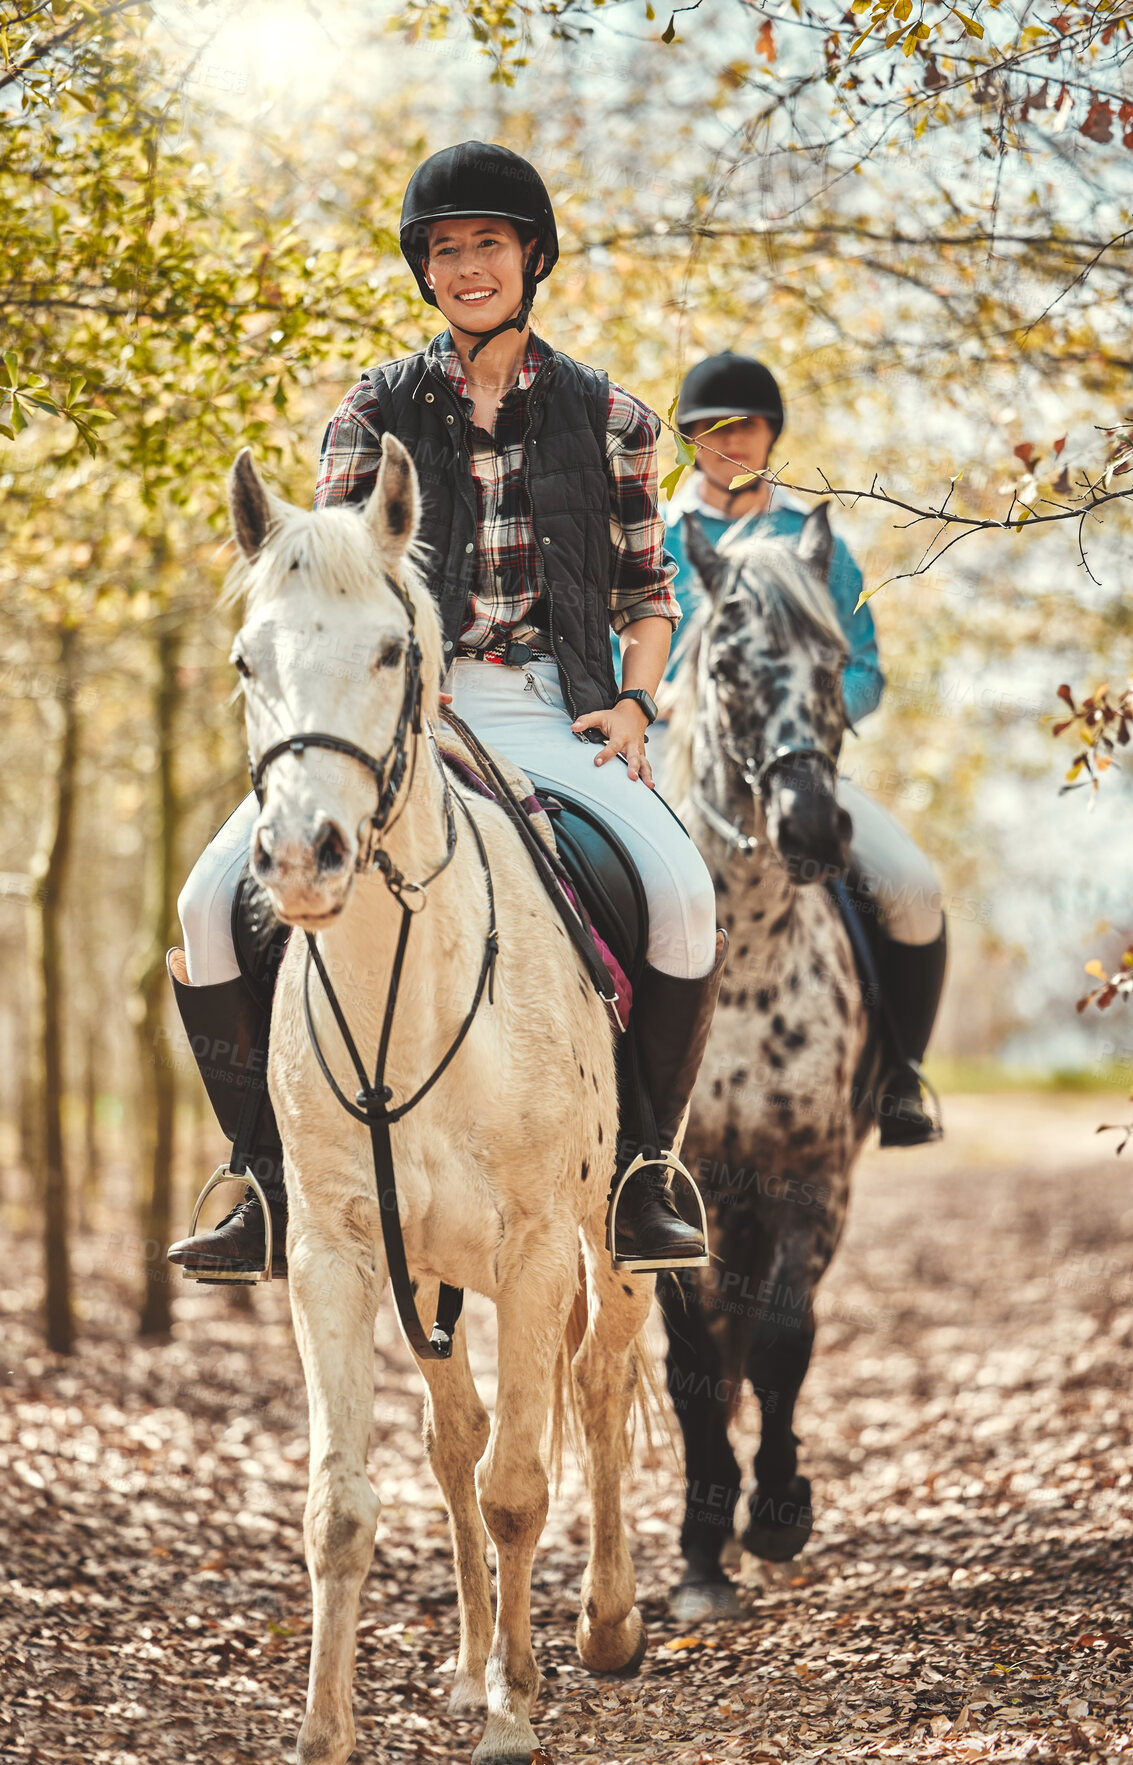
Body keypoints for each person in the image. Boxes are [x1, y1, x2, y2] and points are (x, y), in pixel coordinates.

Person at [167, 142, 727, 1282]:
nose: (465, 266)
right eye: (443, 249)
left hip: (545, 707)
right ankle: (264, 1178)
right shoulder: (368, 411)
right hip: (386, 704)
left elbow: (645, 594)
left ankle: (637, 1171)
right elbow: (319, 591)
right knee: (203, 910)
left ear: (531, 256)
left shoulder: (611, 416)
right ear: (424, 270)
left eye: (486, 244)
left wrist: (632, 700)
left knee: (682, 898)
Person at [662, 352, 946, 1146]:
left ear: (769, 434)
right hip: (673, 763)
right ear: (687, 441)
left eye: (742, 428)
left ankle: (897, 1076)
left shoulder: (820, 543)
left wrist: (813, 718)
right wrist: (659, 699)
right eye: (707, 431)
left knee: (913, 886)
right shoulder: (654, 540)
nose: (727, 443)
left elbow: (865, 667)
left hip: (796, 765)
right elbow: (617, 652)